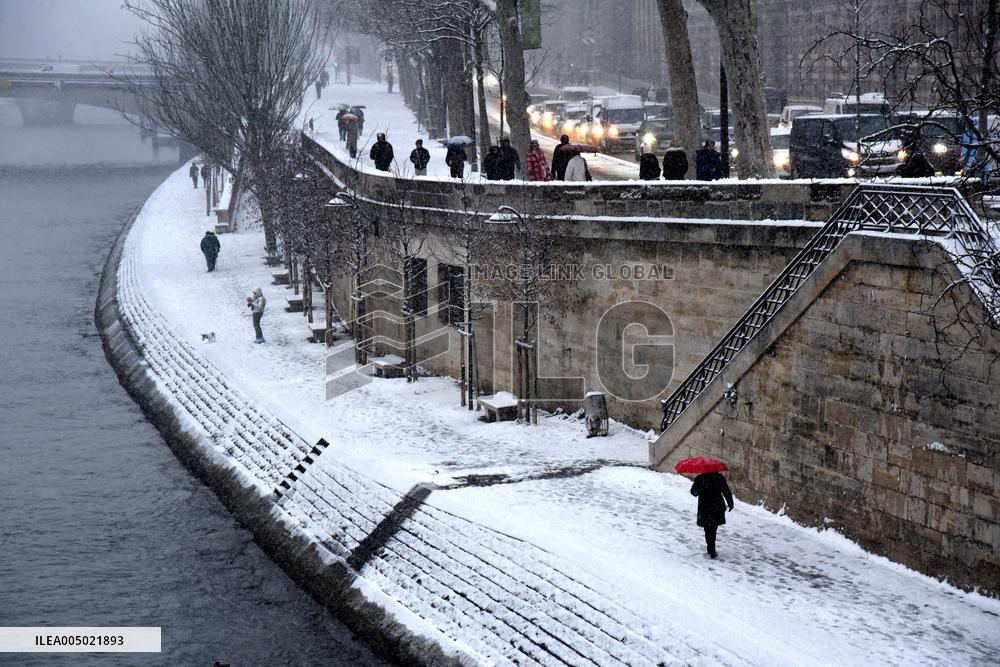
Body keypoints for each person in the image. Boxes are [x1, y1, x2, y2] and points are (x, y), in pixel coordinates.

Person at [690, 471, 734, 559]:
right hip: (716, 505)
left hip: (705, 506)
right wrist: (730, 503)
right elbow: (726, 491)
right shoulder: (719, 477)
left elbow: (693, 492)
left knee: (708, 528)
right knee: (713, 527)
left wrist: (701, 488)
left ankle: (711, 548)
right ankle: (711, 548)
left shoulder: (700, 478)